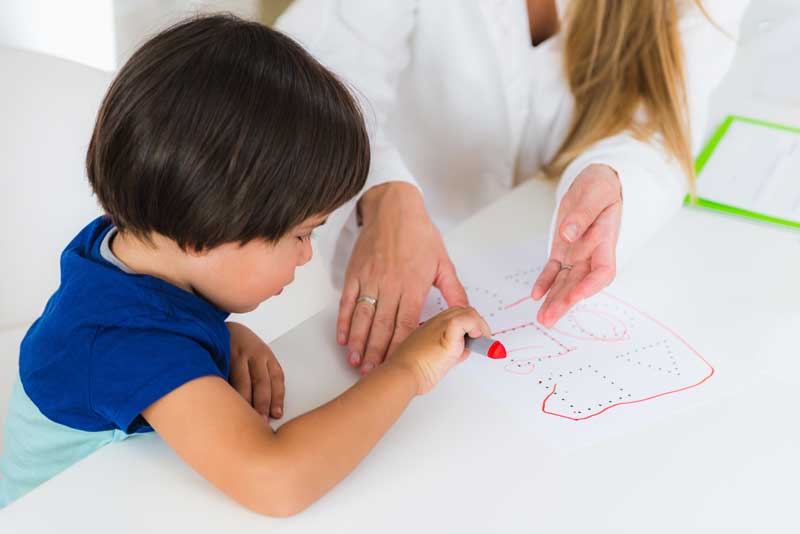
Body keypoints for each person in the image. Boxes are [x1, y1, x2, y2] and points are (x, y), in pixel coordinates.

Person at [0, 15, 490, 515]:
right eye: (301, 234)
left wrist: (214, 338)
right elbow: (277, 481)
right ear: (200, 233)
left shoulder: (126, 243)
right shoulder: (127, 342)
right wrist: (410, 370)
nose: (306, 254)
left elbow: (145, 332)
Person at [277, 0, 749, 375]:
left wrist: (613, 175)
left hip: (533, 268)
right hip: (382, 267)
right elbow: (322, 76)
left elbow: (666, 122)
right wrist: (382, 192)